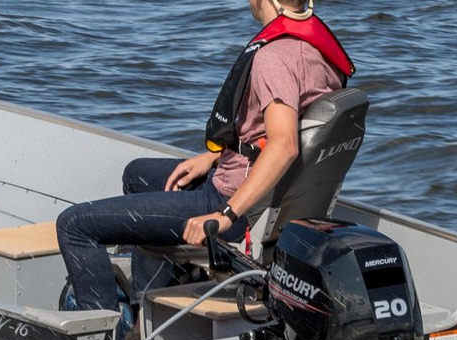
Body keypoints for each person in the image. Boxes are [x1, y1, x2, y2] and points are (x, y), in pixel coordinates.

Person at [56, 0, 355, 319]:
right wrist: (215, 157)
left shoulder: (274, 57)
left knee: (74, 225)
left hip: (233, 203)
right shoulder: (316, 47)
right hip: (266, 192)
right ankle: (149, 302)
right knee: (138, 175)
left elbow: (283, 145)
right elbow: (270, 133)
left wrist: (225, 214)